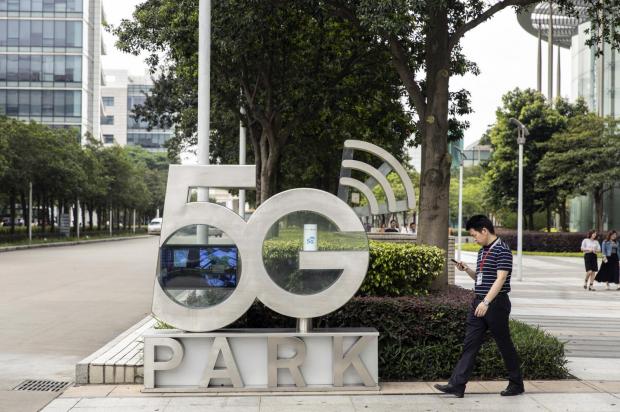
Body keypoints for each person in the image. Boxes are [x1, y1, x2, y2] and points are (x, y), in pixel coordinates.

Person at [435, 215, 523, 398]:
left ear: (484, 230)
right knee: (470, 343)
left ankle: (516, 384)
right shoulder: (483, 251)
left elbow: (501, 279)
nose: (474, 239)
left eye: (474, 235)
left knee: (504, 344)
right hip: (479, 302)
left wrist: (486, 302)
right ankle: (457, 385)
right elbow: (480, 278)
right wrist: (466, 269)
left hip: (495, 304)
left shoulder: (502, 250)